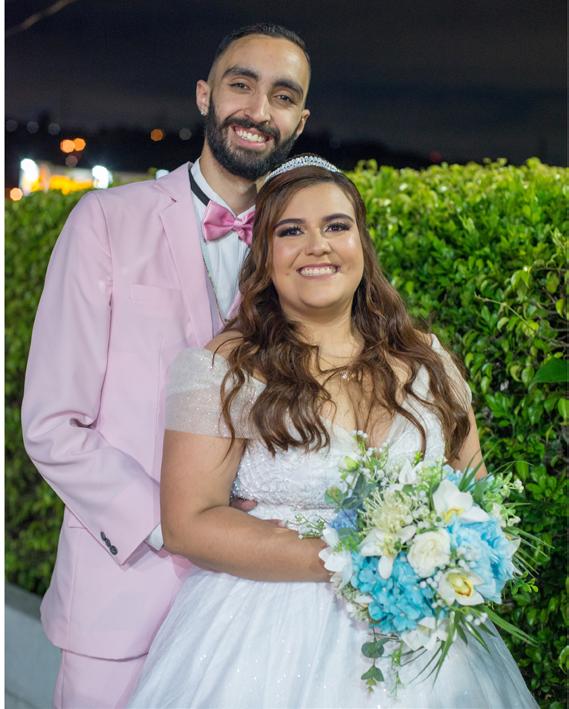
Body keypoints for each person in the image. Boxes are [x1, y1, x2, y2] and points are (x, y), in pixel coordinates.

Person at [128, 155, 537, 708]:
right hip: (262, 638)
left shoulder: (427, 360)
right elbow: (188, 523)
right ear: (264, 254)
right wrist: (356, 558)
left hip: (424, 642)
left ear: (361, 244)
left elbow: (475, 491)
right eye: (291, 231)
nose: (317, 246)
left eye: (336, 226)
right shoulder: (226, 369)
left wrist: (457, 554)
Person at [21, 23, 311, 709]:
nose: (258, 110)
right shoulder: (105, 220)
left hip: (250, 616)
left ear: (300, 121)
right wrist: (180, 523)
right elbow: (53, 424)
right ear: (205, 95)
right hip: (122, 597)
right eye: (241, 85)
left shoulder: (305, 250)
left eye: (282, 96)